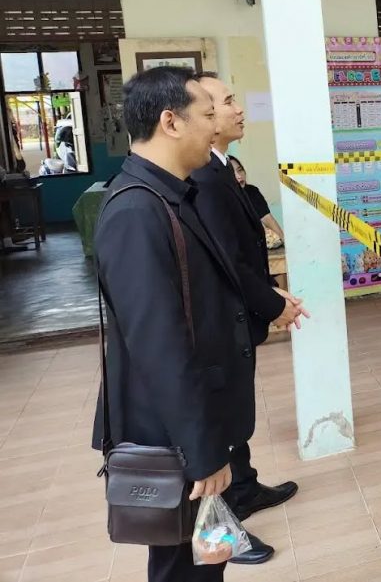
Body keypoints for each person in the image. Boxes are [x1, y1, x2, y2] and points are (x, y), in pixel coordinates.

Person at [92, 66, 252, 582]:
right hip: (171, 435)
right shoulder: (137, 212)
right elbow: (159, 349)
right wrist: (201, 452)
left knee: (200, 561)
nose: (216, 125)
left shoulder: (172, 195)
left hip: (189, 423)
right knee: (181, 567)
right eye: (207, 115)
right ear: (171, 122)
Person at [191, 73, 304, 564]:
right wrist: (274, 303)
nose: (238, 109)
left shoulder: (222, 169)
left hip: (237, 315)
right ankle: (222, 525)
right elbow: (229, 262)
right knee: (218, 419)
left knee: (237, 408)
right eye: (227, 102)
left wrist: (271, 293)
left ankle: (245, 487)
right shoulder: (202, 178)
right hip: (218, 322)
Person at [228, 154, 285, 243]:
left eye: (240, 170)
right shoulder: (222, 198)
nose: (239, 176)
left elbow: (267, 218)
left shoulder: (252, 191)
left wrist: (284, 240)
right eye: (232, 173)